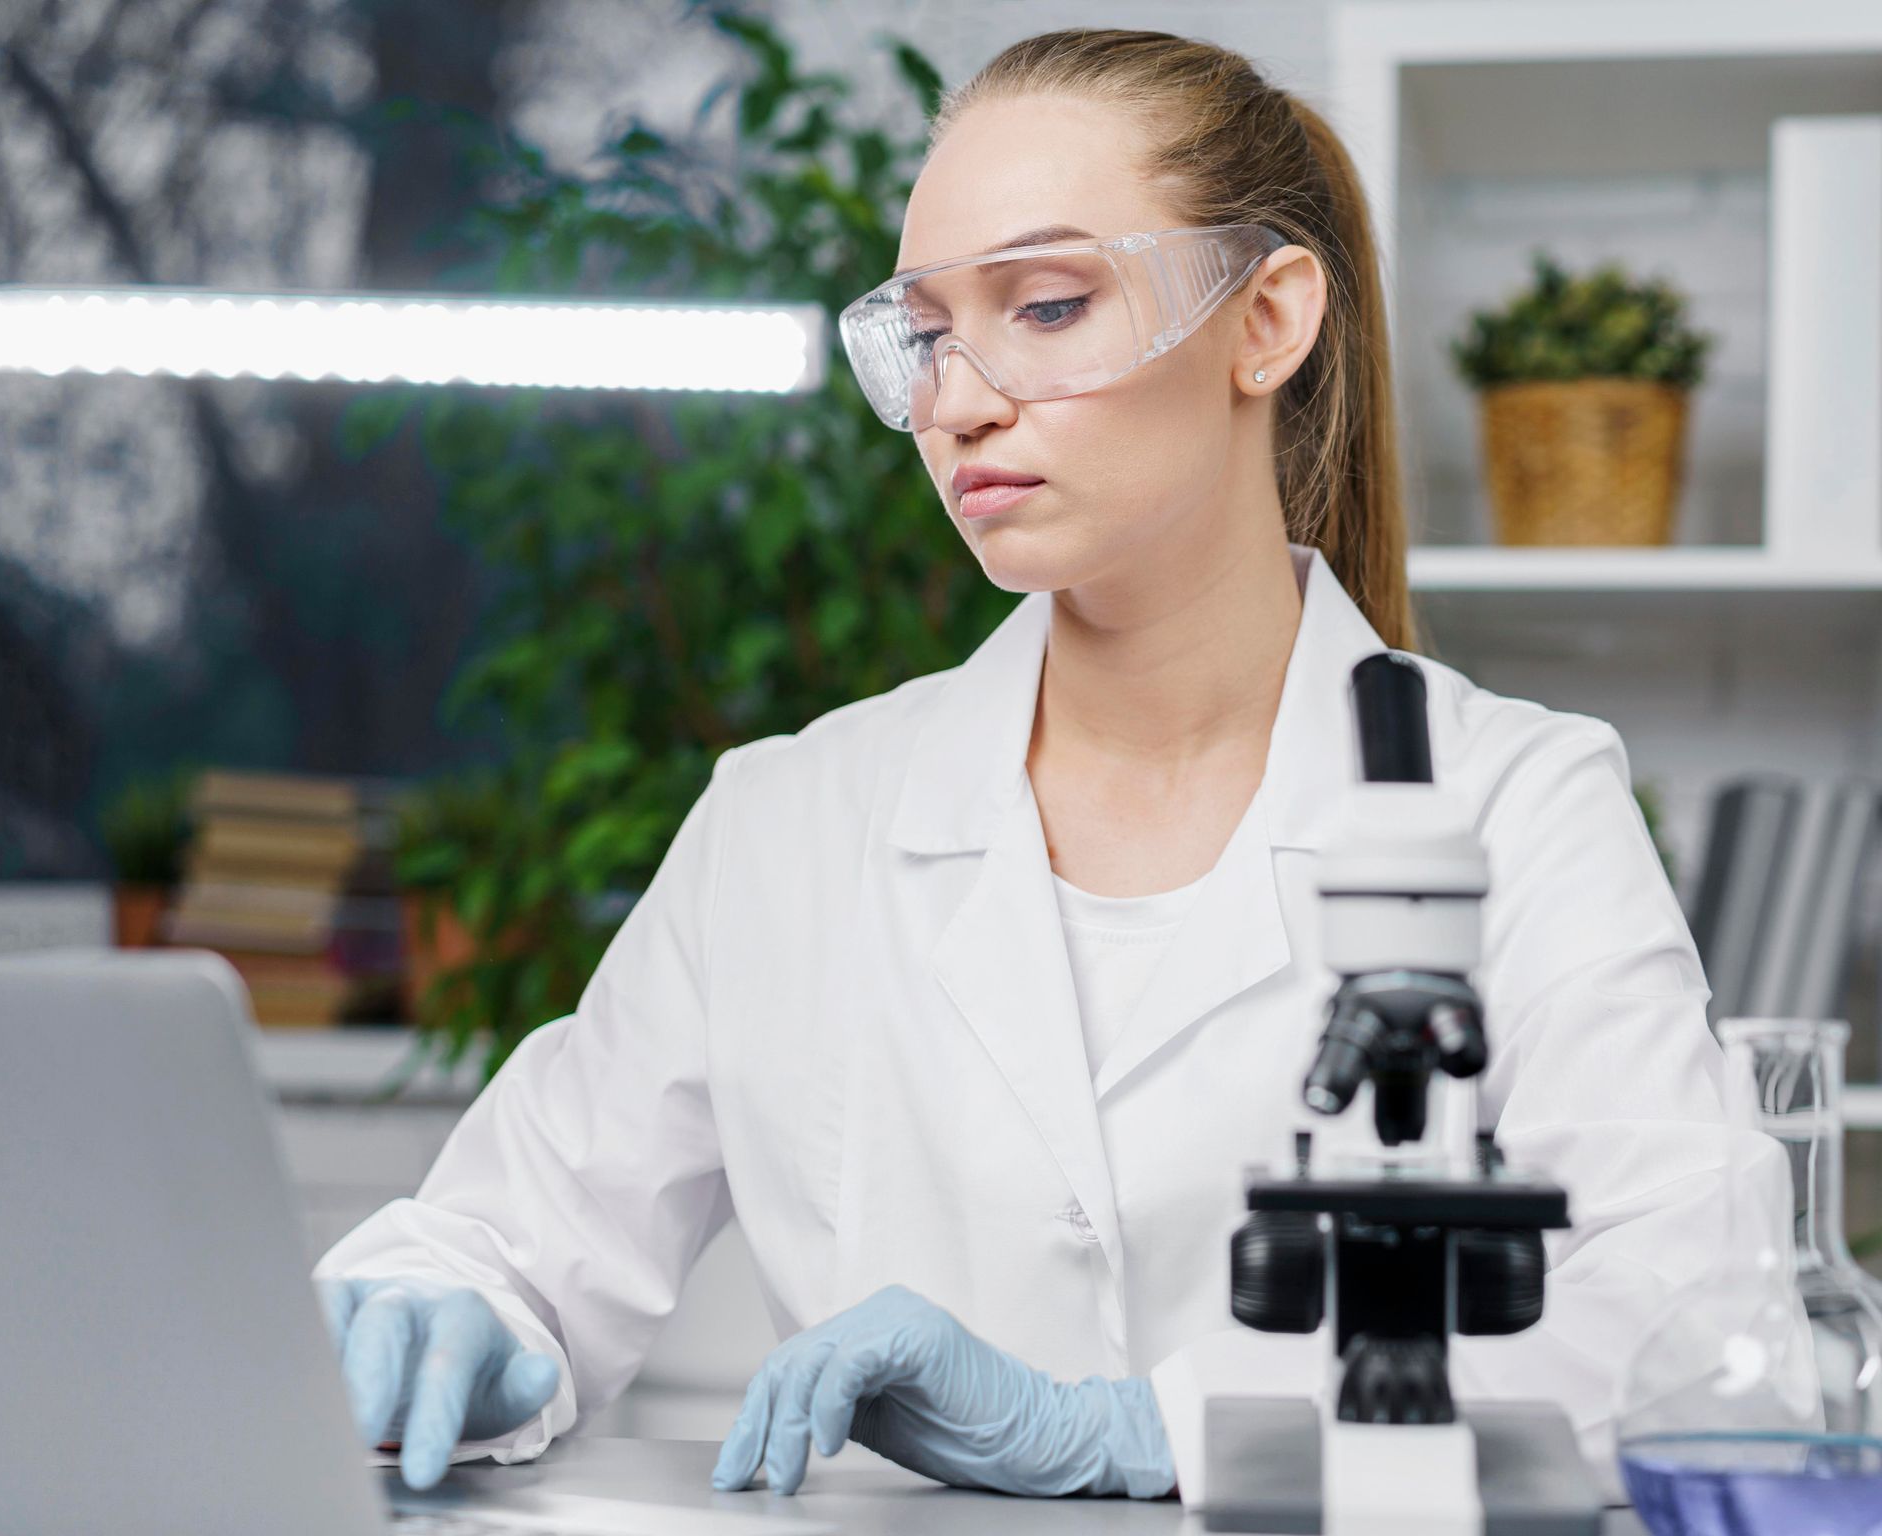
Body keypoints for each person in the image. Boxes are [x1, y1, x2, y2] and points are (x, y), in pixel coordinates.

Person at [313, 27, 1760, 1511]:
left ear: (1266, 320)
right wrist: (456, 1318)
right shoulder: (792, 823)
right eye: (928, 334)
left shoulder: (1514, 803)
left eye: (1050, 306)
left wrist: (1144, 1431)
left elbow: (1693, 1317)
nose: (958, 403)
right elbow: (507, 1235)